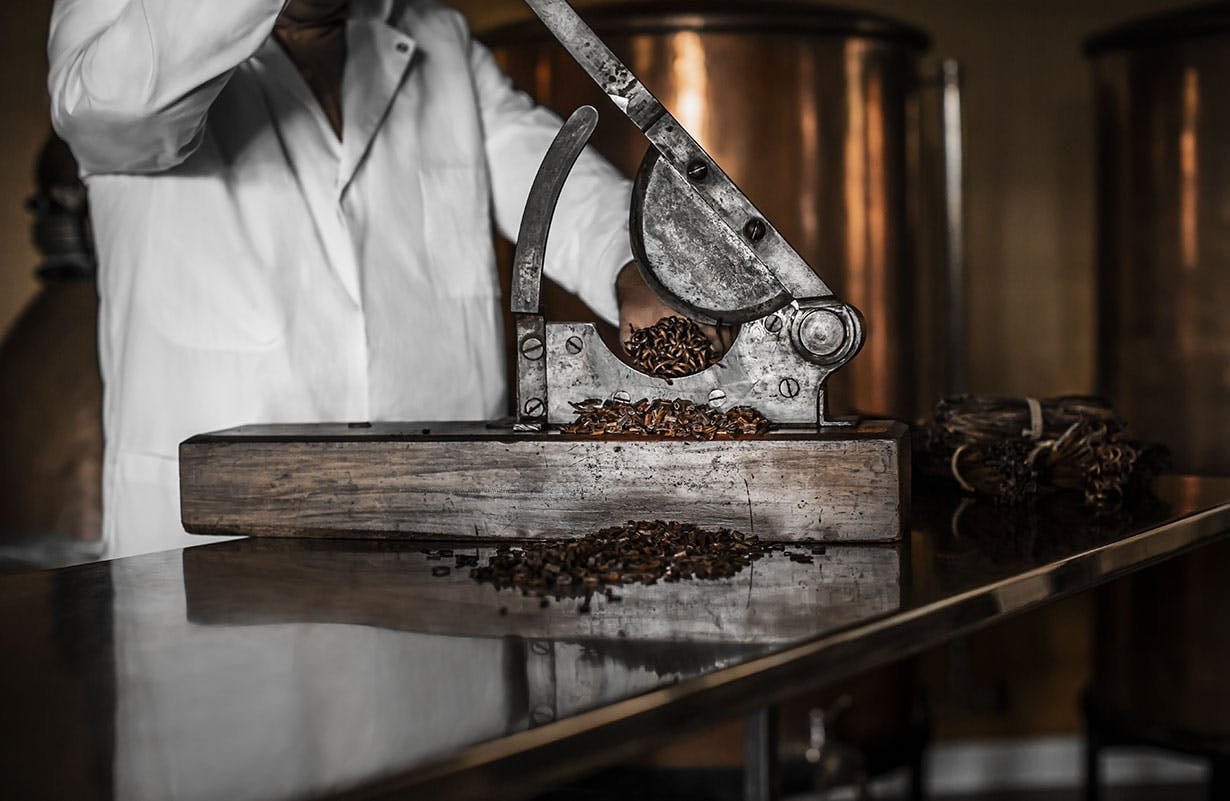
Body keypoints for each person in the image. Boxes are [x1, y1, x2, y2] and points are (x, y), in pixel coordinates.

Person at [48, 0, 675, 558]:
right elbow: (117, 112)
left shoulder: (433, 31)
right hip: (218, 545)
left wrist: (636, 264)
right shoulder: (117, 15)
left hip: (444, 535)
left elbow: (546, 171)